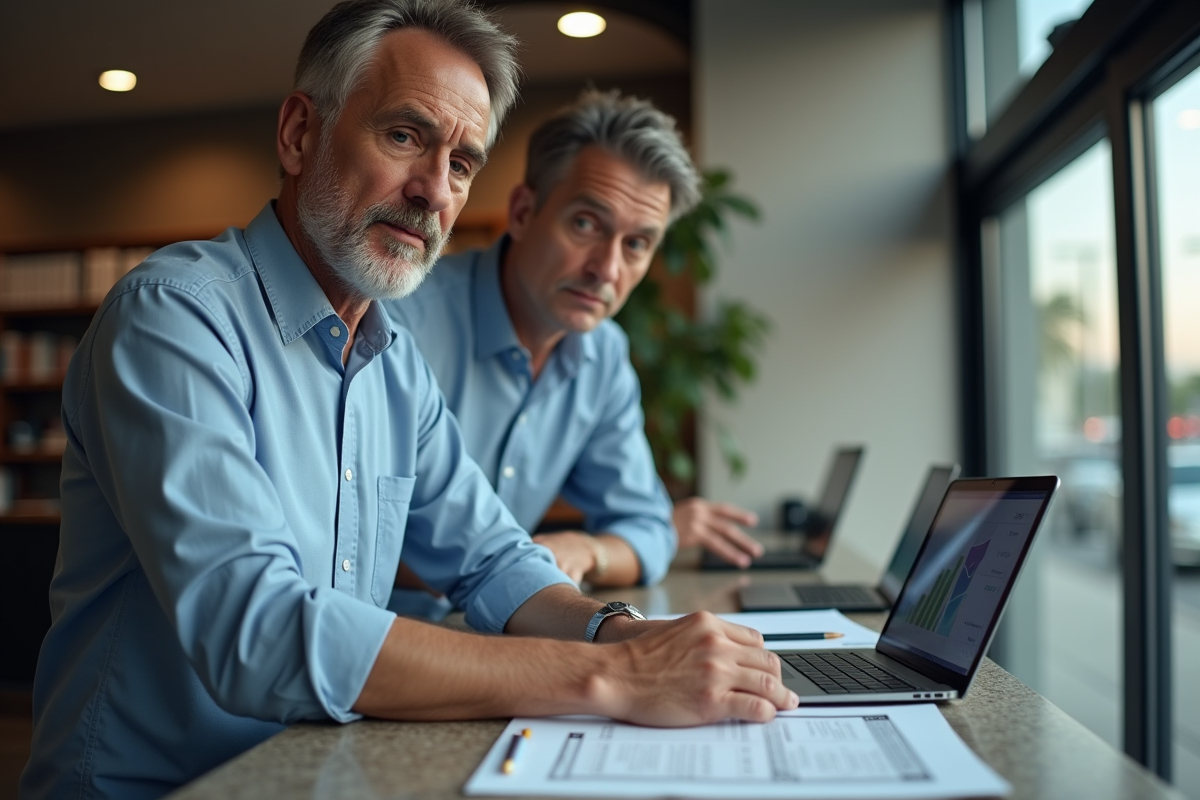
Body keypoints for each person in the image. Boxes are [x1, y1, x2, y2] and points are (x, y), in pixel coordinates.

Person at [20, 3, 796, 798]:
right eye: (403, 136)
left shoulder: (392, 361)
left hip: (320, 768)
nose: (433, 192)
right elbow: (258, 633)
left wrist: (622, 634)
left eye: (461, 164)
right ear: (299, 134)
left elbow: (494, 561)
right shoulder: (174, 317)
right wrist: (609, 676)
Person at [386, 91, 764, 608]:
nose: (607, 270)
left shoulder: (602, 355)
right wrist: (518, 564)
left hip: (509, 625)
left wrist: (586, 550)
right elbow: (349, 536)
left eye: (636, 244)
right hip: (381, 634)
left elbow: (648, 527)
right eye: (586, 224)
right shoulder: (399, 324)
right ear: (523, 212)